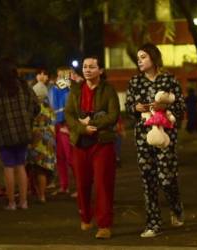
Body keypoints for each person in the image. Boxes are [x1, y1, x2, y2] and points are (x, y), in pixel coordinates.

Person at [125, 43, 186, 238]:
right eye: (138, 58)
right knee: (148, 180)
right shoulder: (135, 82)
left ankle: (176, 207)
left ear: (153, 57)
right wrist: (136, 108)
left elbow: (181, 106)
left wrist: (164, 107)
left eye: (143, 57)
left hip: (166, 136)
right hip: (143, 137)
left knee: (166, 179)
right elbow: (127, 107)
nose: (139, 60)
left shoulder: (169, 79)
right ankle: (153, 223)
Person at [65, 56, 120, 239]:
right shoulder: (76, 90)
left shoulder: (108, 90)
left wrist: (92, 124)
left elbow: (113, 115)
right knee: (81, 183)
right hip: (80, 142)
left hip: (101, 142)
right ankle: (86, 217)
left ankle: (104, 224)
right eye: (85, 67)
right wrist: (82, 128)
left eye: (92, 67)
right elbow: (69, 114)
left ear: (100, 70)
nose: (87, 70)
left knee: (103, 184)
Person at [0, 57, 40, 210]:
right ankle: (24, 202)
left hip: (5, 134)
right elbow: (36, 106)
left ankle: (11, 203)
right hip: (23, 133)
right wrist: (26, 117)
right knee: (21, 166)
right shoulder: (23, 85)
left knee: (8, 167)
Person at [26, 69, 56, 203]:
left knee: (33, 168)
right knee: (43, 170)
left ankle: (35, 192)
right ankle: (41, 195)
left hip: (34, 140)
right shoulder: (50, 107)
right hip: (48, 142)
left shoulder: (31, 106)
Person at [48, 67, 74, 195]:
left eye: (61, 76)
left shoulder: (70, 91)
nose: (58, 79)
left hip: (66, 126)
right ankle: (64, 186)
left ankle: (79, 188)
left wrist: (68, 125)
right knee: (60, 157)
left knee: (70, 158)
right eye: (57, 76)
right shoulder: (55, 90)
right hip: (57, 126)